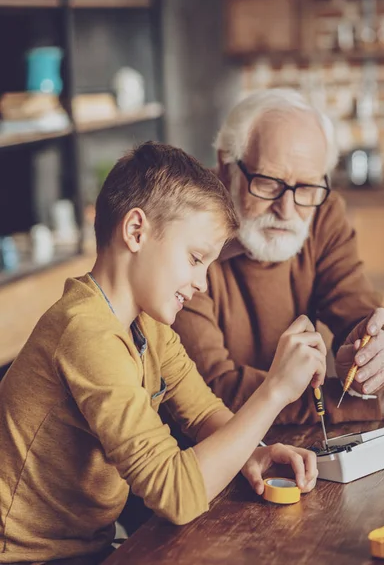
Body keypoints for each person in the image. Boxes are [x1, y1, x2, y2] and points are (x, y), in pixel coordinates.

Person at [0, 142, 326, 565]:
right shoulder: (86, 333)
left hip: (90, 547)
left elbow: (202, 411)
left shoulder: (147, 323)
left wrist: (255, 452)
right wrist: (275, 390)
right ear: (136, 232)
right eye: (195, 258)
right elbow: (176, 495)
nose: (203, 283)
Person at [173, 89, 384, 424]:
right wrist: (365, 404)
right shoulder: (185, 226)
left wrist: (373, 352)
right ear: (226, 165)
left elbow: (363, 313)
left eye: (307, 187)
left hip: (290, 434)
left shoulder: (321, 211)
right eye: (267, 183)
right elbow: (210, 388)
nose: (287, 209)